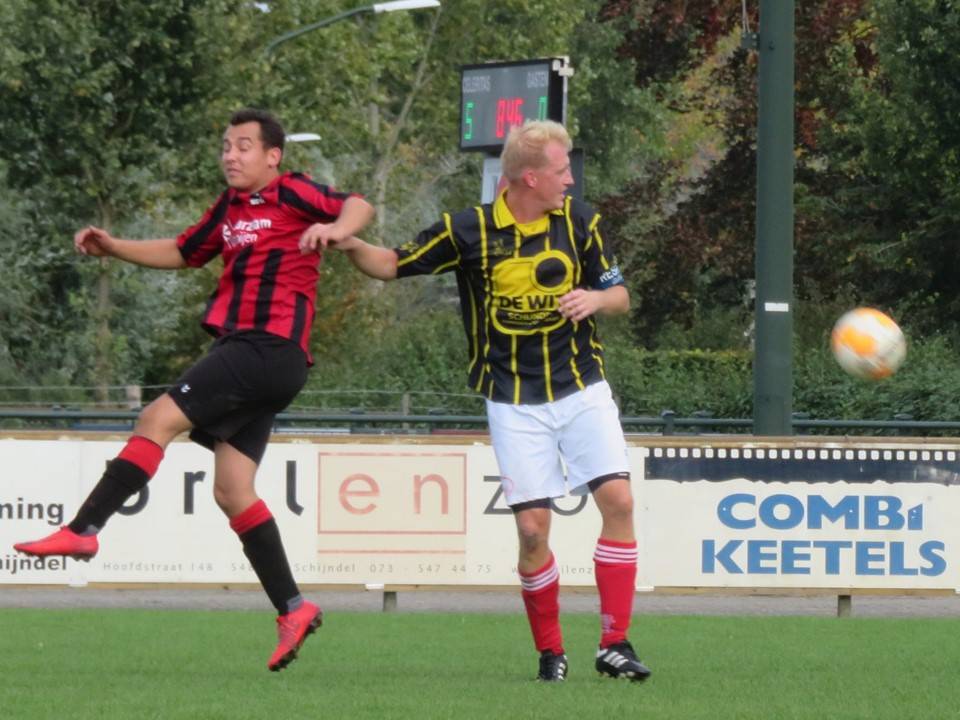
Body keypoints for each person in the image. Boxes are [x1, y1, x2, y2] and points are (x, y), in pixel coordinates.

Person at [13, 108, 375, 672]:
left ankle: (84, 529)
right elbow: (185, 251)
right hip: (266, 359)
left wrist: (337, 228)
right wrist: (115, 247)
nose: (231, 154)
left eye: (244, 145)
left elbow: (358, 204)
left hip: (265, 345)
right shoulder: (229, 208)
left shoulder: (292, 191)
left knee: (155, 419)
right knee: (233, 490)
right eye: (226, 145)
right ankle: (294, 608)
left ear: (273, 156)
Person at [323, 120, 651, 682]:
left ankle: (614, 644)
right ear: (530, 177)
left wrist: (595, 300)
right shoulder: (467, 229)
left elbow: (620, 294)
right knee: (533, 532)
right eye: (561, 170)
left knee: (618, 501)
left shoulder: (580, 221)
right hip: (513, 401)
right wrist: (349, 243)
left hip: (582, 387)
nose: (570, 179)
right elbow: (391, 264)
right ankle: (551, 652)